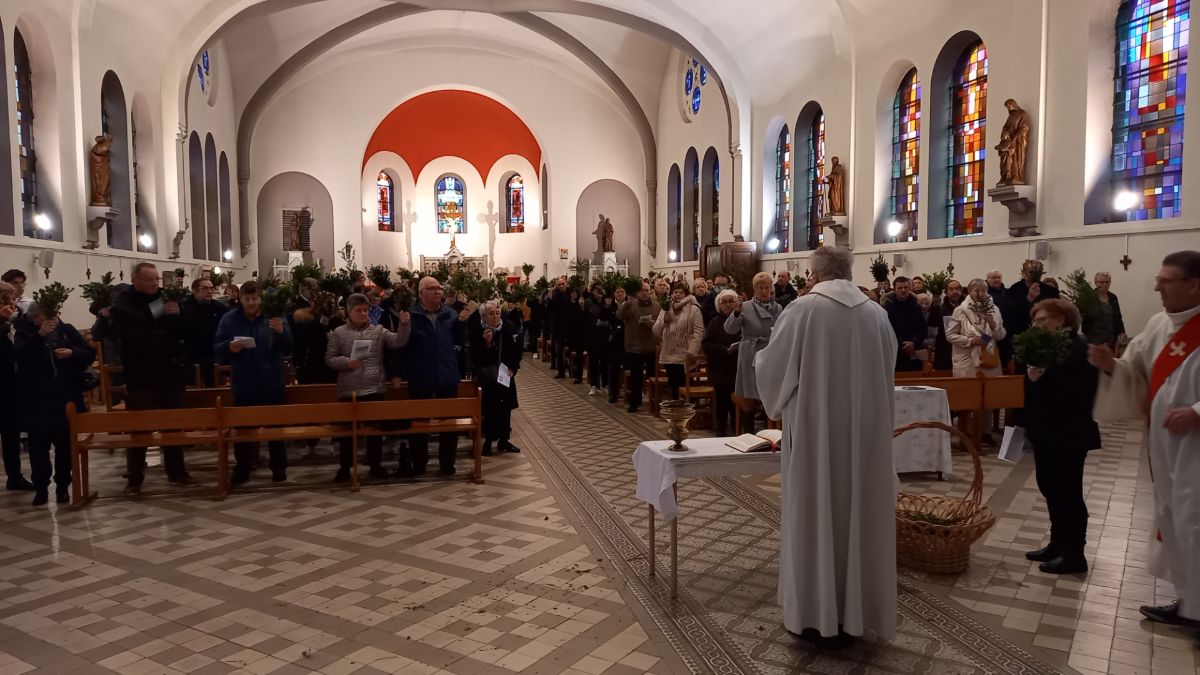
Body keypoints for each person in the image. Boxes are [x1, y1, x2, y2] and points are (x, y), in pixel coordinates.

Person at [754, 246, 898, 644]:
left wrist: (758, 362)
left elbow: (773, 370)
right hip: (865, 440)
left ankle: (815, 614)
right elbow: (887, 374)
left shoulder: (802, 311)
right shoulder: (877, 314)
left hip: (817, 438)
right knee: (860, 514)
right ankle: (859, 611)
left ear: (814, 274)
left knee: (816, 512)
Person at [1090, 250, 1200, 628]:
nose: (1157, 287)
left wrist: (1198, 411)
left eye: (1165, 281)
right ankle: (1190, 602)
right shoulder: (1157, 325)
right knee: (1175, 516)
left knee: (1196, 518)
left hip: (1196, 446)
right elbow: (1134, 371)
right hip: (1166, 447)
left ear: (1193, 284)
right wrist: (1111, 366)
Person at [1020, 299, 1100, 575]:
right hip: (1047, 429)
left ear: (1062, 320)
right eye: (1034, 321)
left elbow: (1083, 391)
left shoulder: (1078, 347)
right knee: (1050, 487)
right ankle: (1058, 542)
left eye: (1042, 321)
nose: (1036, 326)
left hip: (1070, 431)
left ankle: (1074, 553)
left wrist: (1043, 378)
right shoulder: (1046, 347)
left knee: (1068, 492)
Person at [111, 262, 196, 493]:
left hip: (170, 373)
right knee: (140, 428)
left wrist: (176, 316)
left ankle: (177, 471)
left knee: (173, 425)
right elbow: (133, 334)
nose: (155, 283)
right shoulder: (123, 304)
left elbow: (184, 331)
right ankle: (135, 477)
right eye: (149, 279)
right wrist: (161, 324)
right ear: (135, 280)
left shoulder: (167, 298)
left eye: (156, 279)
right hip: (141, 375)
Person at [14, 303, 94, 506]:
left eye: (54, 315)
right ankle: (41, 488)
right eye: (46, 316)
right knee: (39, 449)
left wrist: (72, 353)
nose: (53, 320)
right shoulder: (25, 334)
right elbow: (21, 357)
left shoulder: (66, 329)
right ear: (35, 319)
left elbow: (88, 354)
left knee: (65, 448)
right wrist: (39, 336)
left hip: (65, 399)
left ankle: (62, 488)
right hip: (37, 402)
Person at [214, 281, 293, 485]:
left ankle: (278, 467)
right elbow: (217, 347)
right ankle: (243, 467)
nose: (251, 302)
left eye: (255, 298)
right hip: (244, 381)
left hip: (272, 380)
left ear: (261, 298)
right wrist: (229, 347)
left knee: (275, 428)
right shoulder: (230, 319)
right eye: (247, 299)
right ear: (240, 298)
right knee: (244, 429)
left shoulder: (273, 315)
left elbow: (289, 347)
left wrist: (281, 331)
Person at [326, 293, 409, 479]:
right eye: (359, 310)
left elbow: (398, 341)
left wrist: (404, 325)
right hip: (349, 389)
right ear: (349, 312)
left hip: (374, 387)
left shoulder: (378, 330)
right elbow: (329, 358)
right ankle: (344, 468)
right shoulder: (339, 333)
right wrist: (346, 362)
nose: (363, 314)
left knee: (375, 432)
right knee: (347, 433)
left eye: (366, 310)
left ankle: (375, 465)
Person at [405, 276, 467, 476]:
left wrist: (463, 323)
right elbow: (402, 346)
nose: (437, 292)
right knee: (419, 423)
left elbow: (459, 341)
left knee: (448, 423)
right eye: (432, 289)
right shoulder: (411, 315)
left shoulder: (450, 314)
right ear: (421, 292)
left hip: (446, 373)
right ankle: (419, 463)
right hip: (420, 375)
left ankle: (447, 463)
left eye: (439, 288)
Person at [725, 272, 781, 433]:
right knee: (749, 395)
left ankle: (768, 433)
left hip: (770, 354)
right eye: (760, 288)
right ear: (754, 289)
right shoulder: (745, 306)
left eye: (767, 287)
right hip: (750, 354)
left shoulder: (778, 308)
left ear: (771, 288)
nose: (764, 291)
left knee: (768, 394)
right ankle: (748, 433)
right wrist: (736, 313)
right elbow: (730, 329)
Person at [469, 300, 522, 456]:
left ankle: (504, 440)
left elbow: (516, 350)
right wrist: (486, 343)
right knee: (489, 409)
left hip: (505, 373)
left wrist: (513, 367)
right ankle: (487, 442)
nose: (495, 317)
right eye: (491, 314)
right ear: (483, 316)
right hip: (488, 376)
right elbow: (475, 355)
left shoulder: (508, 327)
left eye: (497, 313)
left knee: (505, 408)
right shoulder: (477, 330)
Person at [0, 282, 32, 491]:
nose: (13, 303)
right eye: (9, 299)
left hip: (11, 382)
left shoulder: (18, 319)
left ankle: (14, 476)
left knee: (10, 432)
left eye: (13, 299)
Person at [653, 282, 704, 400]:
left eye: (681, 292)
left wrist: (691, 352)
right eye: (675, 292)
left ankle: (688, 409)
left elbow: (699, 332)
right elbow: (656, 330)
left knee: (685, 384)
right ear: (672, 294)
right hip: (669, 353)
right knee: (673, 384)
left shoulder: (693, 309)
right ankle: (675, 409)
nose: (678, 294)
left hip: (685, 353)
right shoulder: (666, 308)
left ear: (686, 294)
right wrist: (664, 321)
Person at [947, 279, 1006, 378]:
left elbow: (1001, 336)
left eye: (983, 291)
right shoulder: (960, 310)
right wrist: (970, 340)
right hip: (967, 363)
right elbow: (950, 335)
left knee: (992, 392)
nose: (981, 294)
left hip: (989, 360)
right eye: (977, 291)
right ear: (969, 291)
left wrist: (993, 325)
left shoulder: (994, 309)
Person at [617, 281, 660, 413]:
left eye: (647, 290)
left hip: (651, 346)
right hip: (635, 346)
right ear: (637, 292)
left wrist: (653, 324)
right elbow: (620, 316)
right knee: (636, 377)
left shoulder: (657, 306)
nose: (645, 293)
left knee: (653, 376)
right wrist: (625, 306)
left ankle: (654, 403)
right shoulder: (630, 304)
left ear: (651, 291)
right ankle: (634, 403)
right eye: (642, 290)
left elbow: (661, 324)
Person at [703, 290, 740, 436]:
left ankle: (737, 428)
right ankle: (722, 428)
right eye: (724, 302)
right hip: (719, 368)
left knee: (736, 402)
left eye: (731, 301)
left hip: (737, 368)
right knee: (722, 402)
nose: (728, 305)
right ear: (719, 305)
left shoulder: (741, 319)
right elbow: (706, 345)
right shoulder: (714, 322)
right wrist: (724, 350)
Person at [184, 277, 227, 388]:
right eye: (205, 288)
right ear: (194, 290)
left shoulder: (219, 308)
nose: (209, 291)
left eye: (211, 288)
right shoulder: (184, 306)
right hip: (191, 356)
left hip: (212, 355)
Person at [883, 276, 926, 372]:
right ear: (894, 290)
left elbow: (922, 329)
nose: (903, 290)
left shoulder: (916, 306)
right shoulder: (888, 307)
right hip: (896, 351)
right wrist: (903, 344)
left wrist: (913, 342)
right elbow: (887, 330)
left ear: (910, 288)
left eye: (906, 287)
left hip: (914, 350)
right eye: (899, 288)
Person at [931, 279, 963, 371]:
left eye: (957, 289)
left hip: (964, 349)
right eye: (951, 289)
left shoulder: (967, 308)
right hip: (945, 351)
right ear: (946, 292)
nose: (955, 291)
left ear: (961, 291)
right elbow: (931, 324)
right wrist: (934, 306)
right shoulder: (940, 308)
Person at [582, 284, 608, 396]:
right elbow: (583, 320)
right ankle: (593, 385)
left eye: (601, 291)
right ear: (593, 292)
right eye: (597, 291)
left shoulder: (606, 302)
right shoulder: (587, 303)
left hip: (604, 336)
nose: (600, 293)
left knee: (604, 362)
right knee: (593, 362)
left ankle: (605, 384)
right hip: (592, 336)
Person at [603, 287, 626, 405]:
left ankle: (628, 393)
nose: (620, 294)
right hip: (614, 342)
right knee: (614, 369)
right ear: (614, 294)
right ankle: (613, 393)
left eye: (622, 292)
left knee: (627, 368)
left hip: (627, 341)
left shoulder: (629, 305)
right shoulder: (610, 306)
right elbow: (605, 320)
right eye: (618, 292)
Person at [1090, 272, 1126, 349]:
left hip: (1112, 339)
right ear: (1096, 283)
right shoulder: (1090, 297)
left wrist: (1122, 332)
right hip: (1095, 340)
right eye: (1101, 282)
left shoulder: (1113, 297)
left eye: (1107, 282)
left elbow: (1118, 317)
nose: (1105, 284)